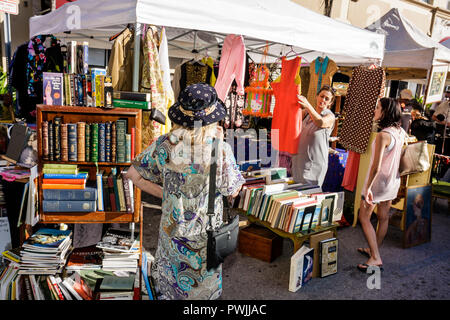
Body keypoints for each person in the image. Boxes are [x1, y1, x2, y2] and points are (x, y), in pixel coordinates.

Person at [125, 83, 245, 300]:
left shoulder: (164, 144)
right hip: (205, 242)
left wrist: (167, 195)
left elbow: (133, 175)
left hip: (172, 238)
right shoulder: (220, 149)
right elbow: (233, 191)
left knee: (170, 292)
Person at [357, 97, 405, 272]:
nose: (374, 110)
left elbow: (376, 167)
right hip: (392, 181)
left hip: (379, 182)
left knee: (364, 217)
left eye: (377, 108)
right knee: (383, 216)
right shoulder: (399, 132)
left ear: (385, 112)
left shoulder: (383, 135)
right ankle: (374, 249)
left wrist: (368, 187)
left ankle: (375, 257)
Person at [291, 85, 336, 187]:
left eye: (327, 99)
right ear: (317, 96)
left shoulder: (330, 116)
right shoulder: (306, 113)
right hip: (298, 162)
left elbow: (320, 122)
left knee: (309, 196)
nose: (323, 100)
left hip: (314, 166)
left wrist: (308, 105)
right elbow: (291, 119)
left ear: (330, 103)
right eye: (321, 96)